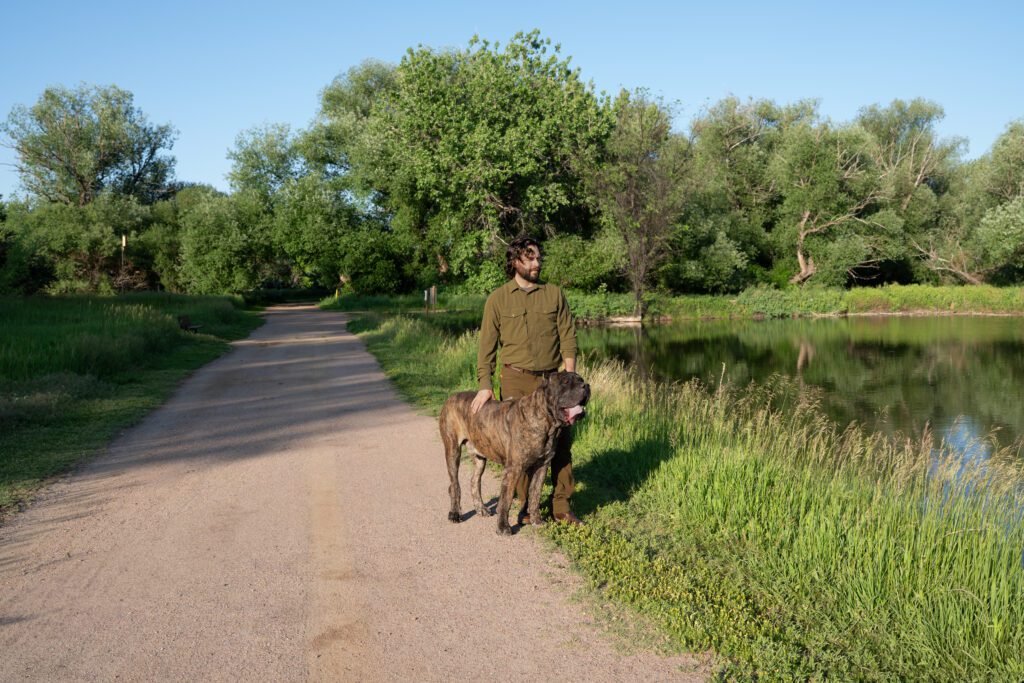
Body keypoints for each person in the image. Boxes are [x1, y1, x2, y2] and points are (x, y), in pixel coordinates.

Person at [471, 235, 583, 525]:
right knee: (517, 449)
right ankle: (525, 505)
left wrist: (569, 379)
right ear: (515, 262)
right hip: (516, 380)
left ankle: (560, 506)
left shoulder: (554, 294)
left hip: (552, 383)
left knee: (561, 444)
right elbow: (486, 348)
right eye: (530, 257)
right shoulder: (498, 299)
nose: (537, 262)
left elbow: (568, 336)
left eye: (538, 257)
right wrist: (485, 386)